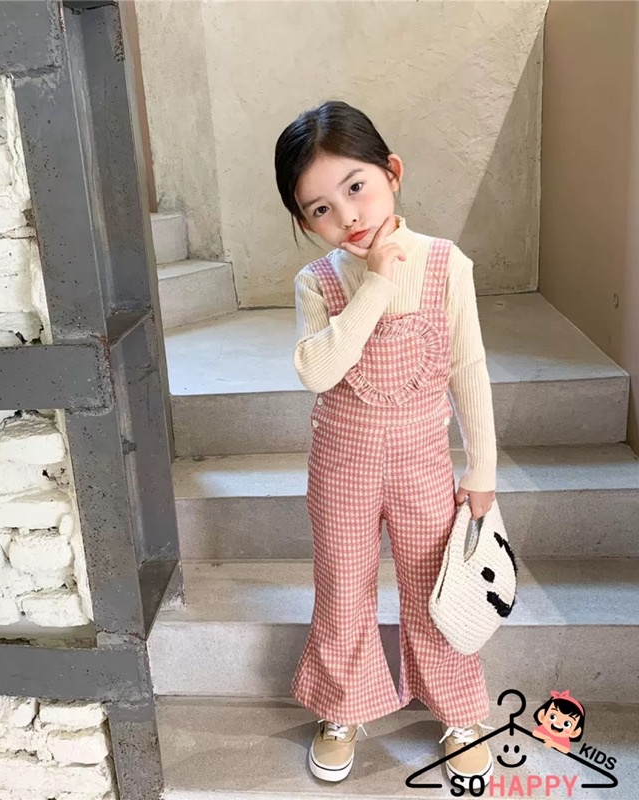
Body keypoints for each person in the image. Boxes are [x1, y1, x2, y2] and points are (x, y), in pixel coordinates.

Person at [274, 100, 498, 788]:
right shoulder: (318, 282)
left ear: (391, 173)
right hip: (341, 466)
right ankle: (342, 707)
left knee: (432, 586)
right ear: (305, 222)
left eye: (356, 187)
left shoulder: (445, 264)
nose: (347, 215)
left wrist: (482, 467)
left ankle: (457, 711)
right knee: (343, 587)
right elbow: (318, 370)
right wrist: (374, 283)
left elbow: (468, 367)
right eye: (320, 209)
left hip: (423, 464)